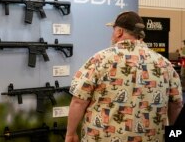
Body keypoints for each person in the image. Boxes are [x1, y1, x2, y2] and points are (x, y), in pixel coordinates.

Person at [65, 11, 183, 142]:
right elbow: (176, 105)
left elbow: (78, 101)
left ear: (119, 32)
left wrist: (70, 133)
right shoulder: (164, 64)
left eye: (113, 30)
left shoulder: (100, 59)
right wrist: (175, 136)